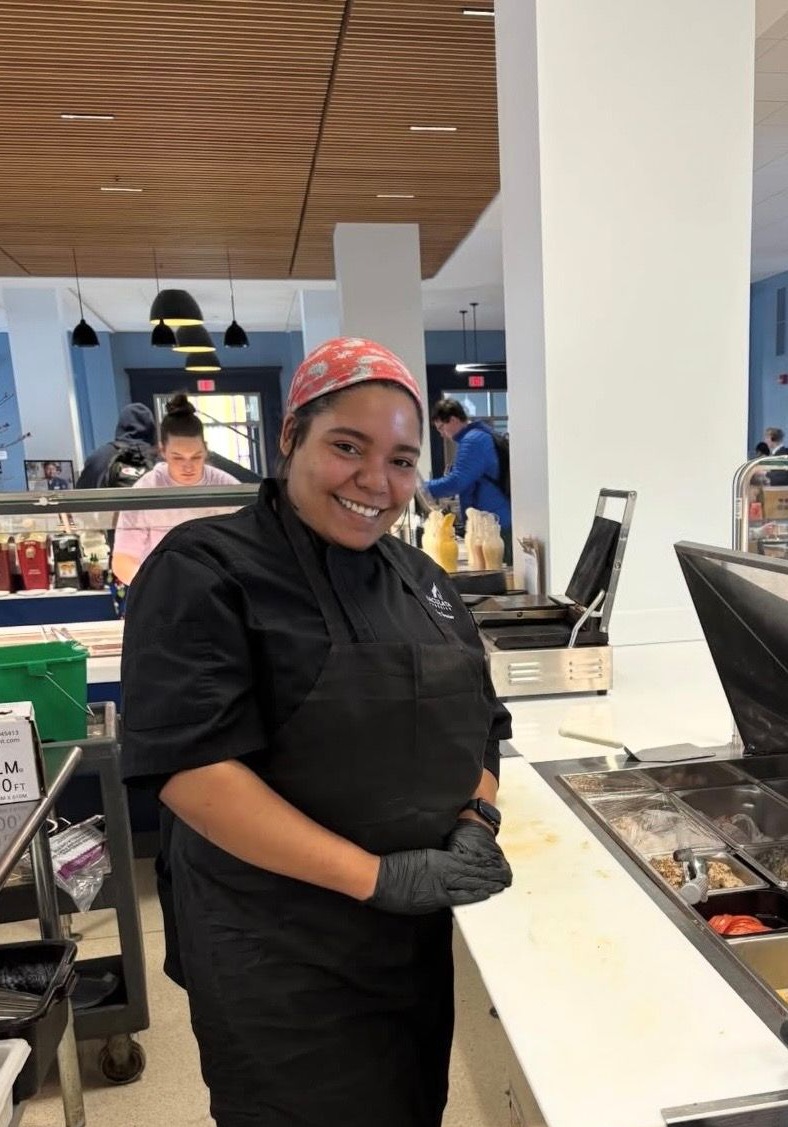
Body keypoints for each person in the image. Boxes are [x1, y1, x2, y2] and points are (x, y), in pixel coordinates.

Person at [119, 338, 512, 1127]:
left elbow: (482, 727)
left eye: (403, 460)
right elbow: (194, 774)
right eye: (347, 447)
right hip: (274, 954)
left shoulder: (422, 581)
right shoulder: (205, 569)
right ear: (291, 435)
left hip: (405, 948)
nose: (377, 481)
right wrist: (375, 876)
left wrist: (476, 818)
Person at [111, 395, 241, 584]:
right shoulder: (145, 492)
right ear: (163, 451)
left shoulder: (228, 488)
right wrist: (158, 588)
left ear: (205, 449)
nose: (188, 467)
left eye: (196, 457)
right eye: (178, 458)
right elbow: (123, 561)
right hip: (163, 593)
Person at [426, 398, 512, 561]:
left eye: (441, 428)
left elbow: (457, 481)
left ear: (453, 420)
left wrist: (422, 488)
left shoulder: (473, 441)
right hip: (496, 523)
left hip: (495, 527)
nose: (442, 434)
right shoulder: (480, 435)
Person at [76, 403, 158, 489]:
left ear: (121, 425)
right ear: (152, 428)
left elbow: (78, 497)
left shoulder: (98, 458)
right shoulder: (163, 459)